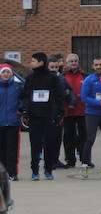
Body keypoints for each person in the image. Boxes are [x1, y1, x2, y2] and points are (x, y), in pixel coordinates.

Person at [23, 52, 65, 180]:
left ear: (41, 62)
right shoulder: (30, 79)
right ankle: (35, 171)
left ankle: (48, 169)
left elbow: (59, 96)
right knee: (35, 145)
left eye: (33, 61)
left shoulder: (52, 78)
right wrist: (25, 111)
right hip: (34, 117)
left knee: (49, 144)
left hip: (49, 116)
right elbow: (25, 96)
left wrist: (59, 113)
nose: (31, 63)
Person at [62, 53, 86, 168]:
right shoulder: (62, 76)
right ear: (67, 63)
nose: (73, 63)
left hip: (82, 111)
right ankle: (70, 160)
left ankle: (85, 159)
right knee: (68, 137)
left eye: (75, 61)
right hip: (68, 112)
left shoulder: (84, 75)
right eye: (71, 61)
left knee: (83, 137)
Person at [0, 64, 24, 180]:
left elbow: (23, 100)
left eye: (8, 72)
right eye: (4, 72)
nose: (6, 74)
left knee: (12, 150)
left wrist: (21, 108)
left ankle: (12, 172)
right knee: (1, 150)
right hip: (0, 123)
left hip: (12, 123)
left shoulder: (17, 87)